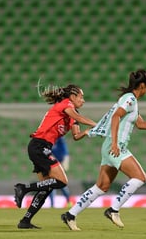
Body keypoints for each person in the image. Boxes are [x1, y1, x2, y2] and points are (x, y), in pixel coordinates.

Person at [61, 69, 146, 231]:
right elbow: (116, 116)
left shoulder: (131, 101)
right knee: (140, 177)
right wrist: (115, 143)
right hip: (115, 147)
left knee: (101, 186)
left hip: (112, 146)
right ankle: (113, 210)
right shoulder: (129, 99)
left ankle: (70, 215)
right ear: (142, 86)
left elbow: (141, 124)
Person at [13, 84, 97, 229]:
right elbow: (77, 116)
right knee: (62, 181)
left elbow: (76, 135)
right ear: (72, 96)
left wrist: (87, 132)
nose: (83, 100)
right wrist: (97, 124)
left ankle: (25, 221)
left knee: (45, 189)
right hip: (39, 146)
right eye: (81, 96)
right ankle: (24, 188)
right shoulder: (66, 104)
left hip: (41, 147)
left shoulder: (71, 115)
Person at [49, 136, 72, 208]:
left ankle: (68, 201)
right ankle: (53, 204)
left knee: (59, 182)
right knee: (53, 183)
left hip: (63, 161)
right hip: (55, 162)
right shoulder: (49, 142)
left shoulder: (59, 139)